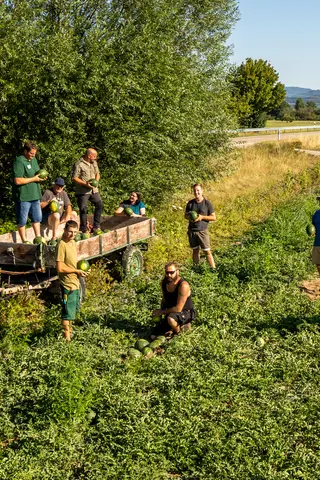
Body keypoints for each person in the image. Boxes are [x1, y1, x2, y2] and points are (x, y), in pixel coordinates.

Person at [56, 220, 89, 342]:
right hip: (67, 285)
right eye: (70, 231)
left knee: (71, 313)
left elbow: (72, 262)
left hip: (74, 282)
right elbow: (60, 267)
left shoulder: (73, 242)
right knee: (66, 312)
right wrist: (76, 271)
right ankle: (67, 340)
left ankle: (70, 333)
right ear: (64, 230)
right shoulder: (61, 245)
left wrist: (80, 270)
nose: (72, 234)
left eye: (75, 232)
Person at [151, 261, 196, 338]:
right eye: (167, 272)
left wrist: (162, 312)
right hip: (171, 310)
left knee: (171, 319)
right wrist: (159, 312)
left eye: (172, 272)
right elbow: (164, 299)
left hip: (185, 311)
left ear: (177, 272)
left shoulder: (183, 286)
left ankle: (179, 334)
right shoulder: (164, 283)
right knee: (153, 335)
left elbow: (178, 309)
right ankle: (175, 327)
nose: (169, 275)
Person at [13, 141, 47, 243]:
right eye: (31, 153)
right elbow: (17, 180)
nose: (33, 155)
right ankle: (24, 241)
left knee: (37, 218)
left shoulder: (34, 160)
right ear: (25, 150)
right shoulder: (19, 161)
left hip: (35, 195)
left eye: (34, 154)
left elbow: (37, 174)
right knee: (22, 220)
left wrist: (42, 177)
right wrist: (34, 179)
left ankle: (38, 238)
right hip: (24, 197)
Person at [185, 183, 216, 269]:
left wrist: (202, 217)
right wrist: (190, 217)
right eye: (195, 190)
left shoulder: (207, 203)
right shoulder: (190, 203)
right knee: (195, 251)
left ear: (202, 191)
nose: (196, 192)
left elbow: (213, 217)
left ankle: (213, 269)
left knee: (207, 251)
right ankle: (196, 269)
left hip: (202, 231)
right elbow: (185, 215)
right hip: (192, 231)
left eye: (198, 190)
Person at [72, 148, 103, 233]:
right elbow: (74, 178)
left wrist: (96, 181)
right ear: (89, 156)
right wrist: (85, 184)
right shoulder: (79, 164)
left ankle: (96, 226)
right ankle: (84, 228)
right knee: (83, 209)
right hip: (83, 191)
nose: (95, 158)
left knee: (99, 205)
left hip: (94, 190)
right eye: (94, 156)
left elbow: (97, 174)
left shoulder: (94, 163)